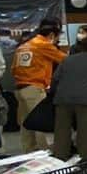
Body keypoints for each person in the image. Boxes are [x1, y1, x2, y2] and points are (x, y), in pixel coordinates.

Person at [13, 19, 65, 152]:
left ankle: (29, 151)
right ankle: (45, 153)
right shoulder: (43, 44)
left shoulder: (24, 45)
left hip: (20, 88)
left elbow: (13, 68)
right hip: (34, 87)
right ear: (52, 35)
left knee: (26, 123)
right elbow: (65, 60)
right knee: (40, 122)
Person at [0, 28, 19, 132]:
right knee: (14, 104)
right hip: (15, 80)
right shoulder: (17, 46)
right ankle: (14, 125)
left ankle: (5, 125)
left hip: (0, 81)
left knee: (3, 105)